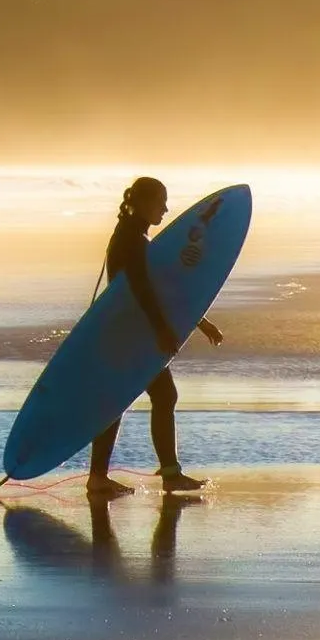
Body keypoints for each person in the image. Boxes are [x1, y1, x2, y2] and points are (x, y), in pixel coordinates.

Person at [87, 175, 223, 499]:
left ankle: (101, 478)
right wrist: (161, 329)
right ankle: (166, 476)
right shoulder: (132, 240)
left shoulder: (133, 236)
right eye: (160, 201)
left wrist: (200, 323)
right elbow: (142, 291)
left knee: (134, 399)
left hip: (127, 330)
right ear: (144, 203)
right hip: (132, 332)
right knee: (160, 396)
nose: (165, 208)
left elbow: (161, 288)